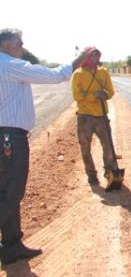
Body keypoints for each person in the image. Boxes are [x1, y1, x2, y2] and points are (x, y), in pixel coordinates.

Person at [0, 28, 86, 265]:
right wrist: (79, 60)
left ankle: (11, 246)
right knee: (12, 191)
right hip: (9, 139)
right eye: (19, 43)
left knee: (7, 190)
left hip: (7, 137)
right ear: (7, 46)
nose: (23, 47)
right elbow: (55, 75)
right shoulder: (8, 64)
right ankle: (10, 244)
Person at [71, 47, 117, 185]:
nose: (95, 58)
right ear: (86, 58)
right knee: (85, 148)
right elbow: (76, 96)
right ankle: (91, 174)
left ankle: (110, 173)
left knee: (108, 146)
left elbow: (111, 91)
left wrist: (106, 94)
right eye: (92, 56)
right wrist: (94, 96)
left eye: (97, 55)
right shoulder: (77, 74)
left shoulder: (104, 72)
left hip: (101, 116)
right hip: (84, 117)